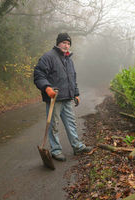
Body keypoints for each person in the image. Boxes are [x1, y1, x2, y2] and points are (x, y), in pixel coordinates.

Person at [34, 33, 92, 161]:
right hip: (54, 99)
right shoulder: (48, 57)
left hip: (67, 98)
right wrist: (47, 88)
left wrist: (76, 93)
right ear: (58, 43)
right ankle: (56, 150)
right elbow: (38, 74)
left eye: (68, 43)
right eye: (64, 43)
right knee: (53, 125)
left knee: (71, 123)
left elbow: (72, 78)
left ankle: (77, 146)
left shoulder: (69, 60)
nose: (66, 46)